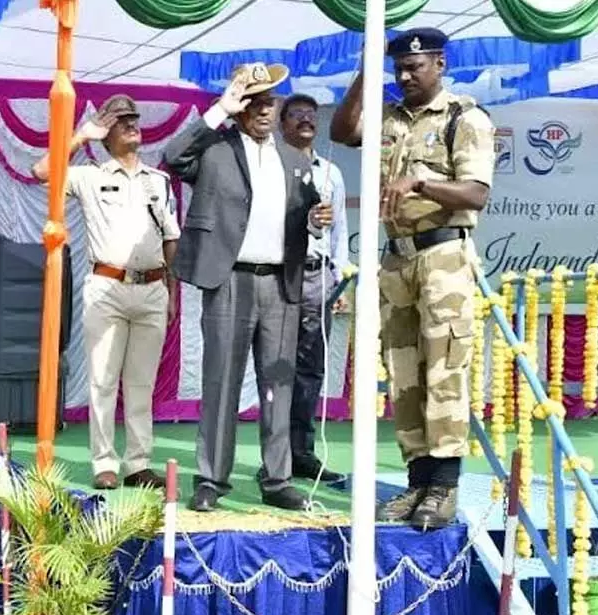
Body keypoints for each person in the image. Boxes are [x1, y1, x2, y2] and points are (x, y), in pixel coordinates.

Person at [330, 28, 495, 529]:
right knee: (404, 374)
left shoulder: (463, 118)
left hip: (443, 253)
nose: (404, 76)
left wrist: (420, 180)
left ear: (440, 64)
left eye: (414, 67)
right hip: (397, 259)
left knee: (444, 366)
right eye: (398, 67)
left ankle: (443, 487)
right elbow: (342, 131)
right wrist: (365, 74)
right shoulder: (389, 118)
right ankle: (417, 481)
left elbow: (475, 194)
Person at [163, 63, 332, 513]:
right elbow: (173, 155)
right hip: (230, 278)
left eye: (269, 101)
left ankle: (277, 479)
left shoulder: (296, 159)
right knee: (222, 380)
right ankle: (212, 479)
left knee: (278, 381)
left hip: (281, 281)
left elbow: (306, 212)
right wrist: (220, 108)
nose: (264, 109)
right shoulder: (215, 147)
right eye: (254, 101)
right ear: (240, 107)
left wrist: (314, 220)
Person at [32, 94, 180, 490]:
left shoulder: (159, 181)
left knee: (141, 383)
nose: (131, 124)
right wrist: (82, 135)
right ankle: (104, 463)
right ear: (106, 133)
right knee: (102, 380)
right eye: (120, 121)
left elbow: (171, 240)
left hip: (152, 288)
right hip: (107, 286)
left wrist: (173, 293)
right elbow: (41, 170)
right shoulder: (89, 176)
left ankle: (138, 463)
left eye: (134, 118)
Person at [256, 94, 350, 488]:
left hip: (318, 277)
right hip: (281, 274)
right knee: (278, 369)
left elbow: (341, 229)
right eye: (297, 116)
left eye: (311, 116)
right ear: (282, 125)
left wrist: (341, 276)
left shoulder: (330, 172)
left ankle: (302, 453)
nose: (306, 122)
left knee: (310, 369)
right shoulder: (271, 168)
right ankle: (274, 458)